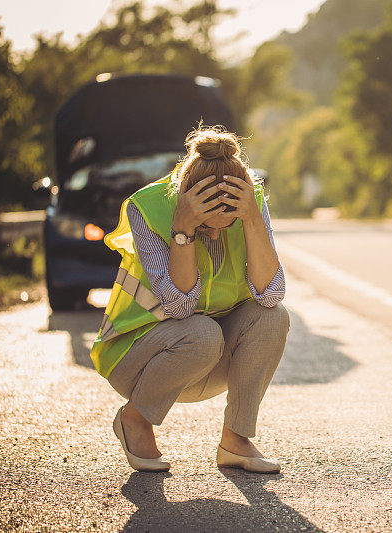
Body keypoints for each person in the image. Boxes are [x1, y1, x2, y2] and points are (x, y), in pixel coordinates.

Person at [89, 126, 291, 473]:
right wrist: (183, 230)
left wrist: (251, 220)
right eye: (206, 226)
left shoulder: (250, 202)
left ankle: (236, 441)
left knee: (273, 317)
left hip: (205, 359)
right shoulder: (148, 208)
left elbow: (271, 294)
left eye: (225, 226)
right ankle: (134, 418)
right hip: (137, 357)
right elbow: (180, 307)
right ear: (186, 197)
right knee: (202, 332)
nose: (214, 235)